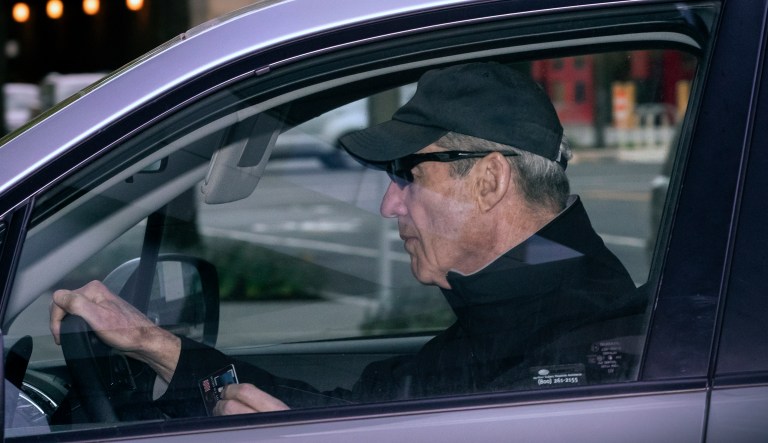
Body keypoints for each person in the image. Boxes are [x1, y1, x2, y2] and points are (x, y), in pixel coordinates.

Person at [50, 62, 643, 418]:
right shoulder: (515, 307)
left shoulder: (579, 343)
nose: (390, 205)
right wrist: (157, 346)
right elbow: (364, 403)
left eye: (408, 173)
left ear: (488, 180)